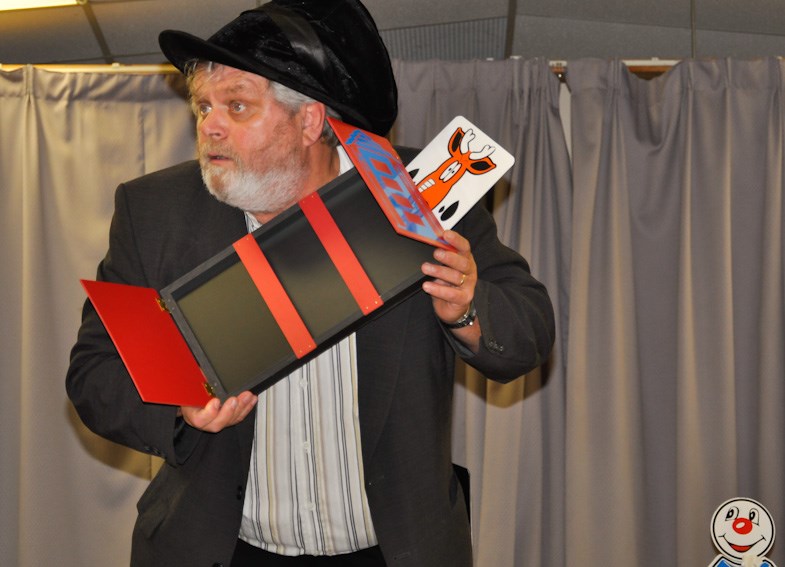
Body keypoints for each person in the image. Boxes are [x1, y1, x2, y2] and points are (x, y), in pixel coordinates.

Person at [65, 1, 555, 566]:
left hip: (392, 551)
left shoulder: (421, 194)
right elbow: (96, 374)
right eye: (203, 107)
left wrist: (469, 308)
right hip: (222, 550)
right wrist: (178, 407)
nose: (210, 125)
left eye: (237, 106)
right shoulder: (155, 214)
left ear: (310, 121)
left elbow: (528, 332)